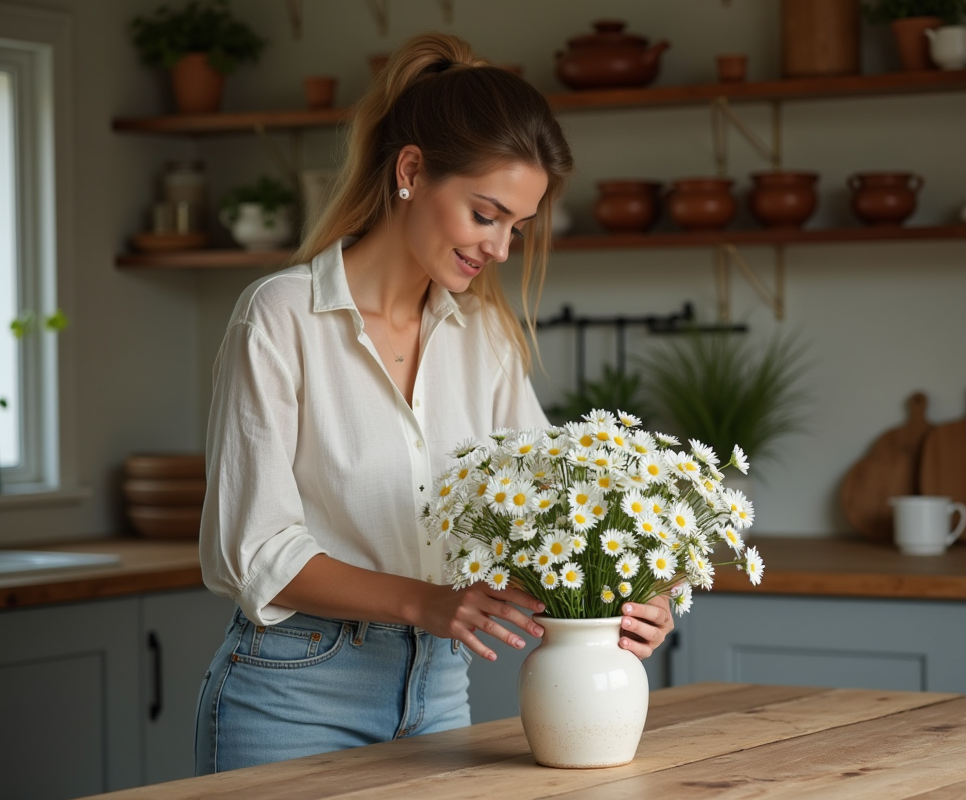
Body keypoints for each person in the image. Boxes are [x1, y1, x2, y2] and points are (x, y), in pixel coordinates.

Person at [193, 32, 676, 775]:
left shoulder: (482, 335)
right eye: (487, 215)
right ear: (412, 170)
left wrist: (638, 593)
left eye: (517, 226)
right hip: (291, 697)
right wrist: (426, 603)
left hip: (441, 692)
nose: (502, 249)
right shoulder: (280, 317)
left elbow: (553, 505)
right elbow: (257, 550)